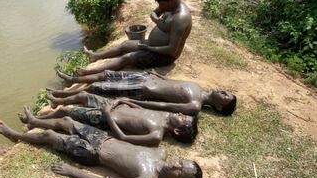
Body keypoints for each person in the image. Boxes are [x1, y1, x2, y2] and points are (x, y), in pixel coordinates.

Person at [0, 117, 202, 178]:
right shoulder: (161, 151)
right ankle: (34, 121)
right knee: (66, 121)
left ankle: (15, 136)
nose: (177, 164)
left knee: (50, 136)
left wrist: (71, 171)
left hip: (92, 153)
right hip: (103, 138)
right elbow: (129, 141)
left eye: (180, 171)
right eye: (182, 162)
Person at [77, 0, 192, 76]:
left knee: (127, 58)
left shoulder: (180, 18)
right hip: (152, 45)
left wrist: (149, 48)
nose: (160, 8)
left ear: (171, 0)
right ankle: (95, 56)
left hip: (164, 56)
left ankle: (87, 72)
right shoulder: (169, 6)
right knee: (125, 45)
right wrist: (157, 21)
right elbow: (154, 13)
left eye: (162, 5)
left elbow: (171, 49)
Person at [30, 92, 198, 145]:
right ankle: (57, 101)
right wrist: (123, 100)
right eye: (184, 115)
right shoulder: (163, 117)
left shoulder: (156, 135)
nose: (182, 115)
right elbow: (140, 109)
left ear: (177, 130)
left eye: (184, 120)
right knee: (82, 95)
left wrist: (108, 114)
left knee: (66, 112)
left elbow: (122, 137)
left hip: (104, 116)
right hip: (113, 105)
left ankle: (36, 119)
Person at [53, 70, 237, 116]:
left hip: (141, 90)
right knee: (105, 75)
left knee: (97, 88)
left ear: (219, 107)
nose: (224, 91)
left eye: (225, 96)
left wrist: (137, 104)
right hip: (144, 78)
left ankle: (60, 98)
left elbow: (163, 105)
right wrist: (156, 74)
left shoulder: (195, 105)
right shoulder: (198, 87)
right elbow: (173, 83)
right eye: (227, 91)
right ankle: (72, 80)